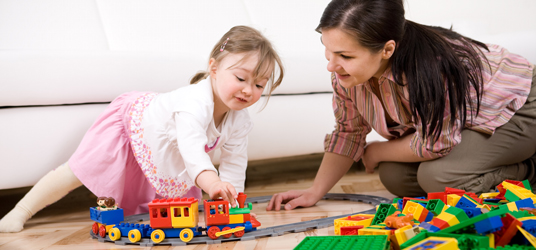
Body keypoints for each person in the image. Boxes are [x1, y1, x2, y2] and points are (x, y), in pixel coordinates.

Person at [0, 25, 284, 232]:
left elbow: (235, 163)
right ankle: (20, 211)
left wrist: (230, 201)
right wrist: (212, 184)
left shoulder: (240, 121)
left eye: (259, 85)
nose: (249, 90)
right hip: (132, 125)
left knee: (172, 204)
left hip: (165, 152)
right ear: (213, 68)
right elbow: (192, 150)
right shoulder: (193, 102)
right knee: (77, 170)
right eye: (241, 78)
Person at [267, 0, 535, 211]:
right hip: (462, 122)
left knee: (439, 177)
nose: (331, 65)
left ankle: (530, 169)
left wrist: (379, 150)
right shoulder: (346, 76)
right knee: (395, 177)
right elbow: (348, 133)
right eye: (328, 50)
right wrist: (315, 191)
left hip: (519, 105)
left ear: (386, 50)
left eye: (345, 55)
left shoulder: (430, 69)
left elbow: (435, 144)